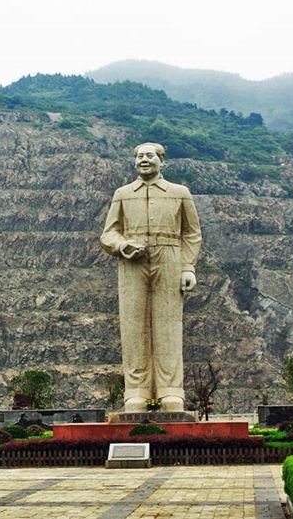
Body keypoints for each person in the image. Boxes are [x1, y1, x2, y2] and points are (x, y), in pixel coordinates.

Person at [100, 143, 202, 412]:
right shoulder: (122, 194)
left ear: (161, 161)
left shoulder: (180, 193)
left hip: (169, 257)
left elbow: (191, 234)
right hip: (132, 262)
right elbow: (108, 233)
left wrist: (188, 267)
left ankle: (171, 391)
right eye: (139, 156)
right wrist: (122, 246)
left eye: (150, 156)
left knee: (168, 326)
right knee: (133, 327)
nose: (144, 160)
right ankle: (136, 392)